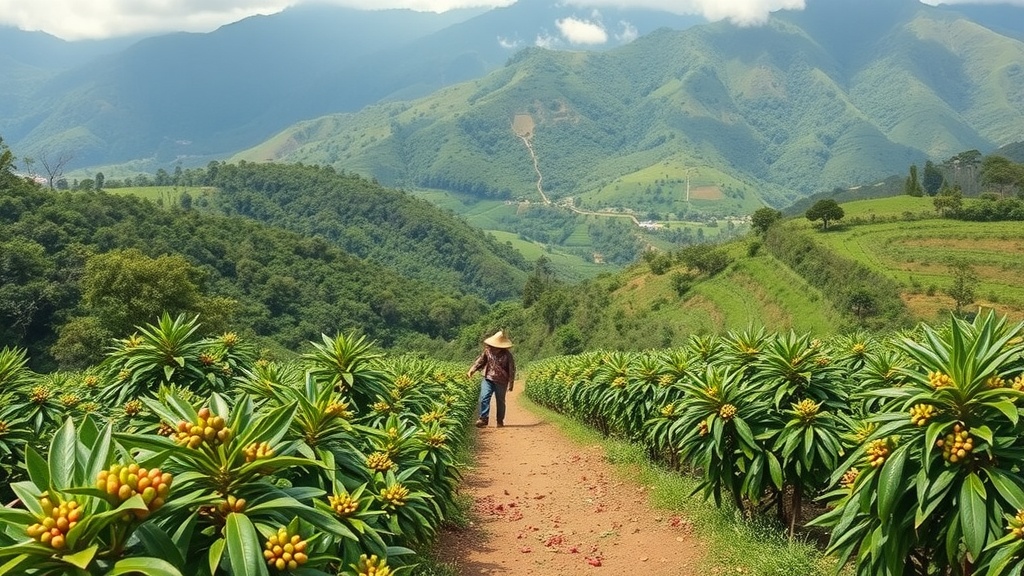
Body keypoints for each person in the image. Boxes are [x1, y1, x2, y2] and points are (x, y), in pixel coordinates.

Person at [467, 330, 516, 428]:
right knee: (484, 397)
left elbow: (512, 369)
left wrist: (511, 383)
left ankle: (500, 421)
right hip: (488, 378)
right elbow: (480, 361)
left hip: (502, 380)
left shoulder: (507, 355)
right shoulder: (487, 351)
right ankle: (483, 419)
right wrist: (472, 370)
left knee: (500, 400)